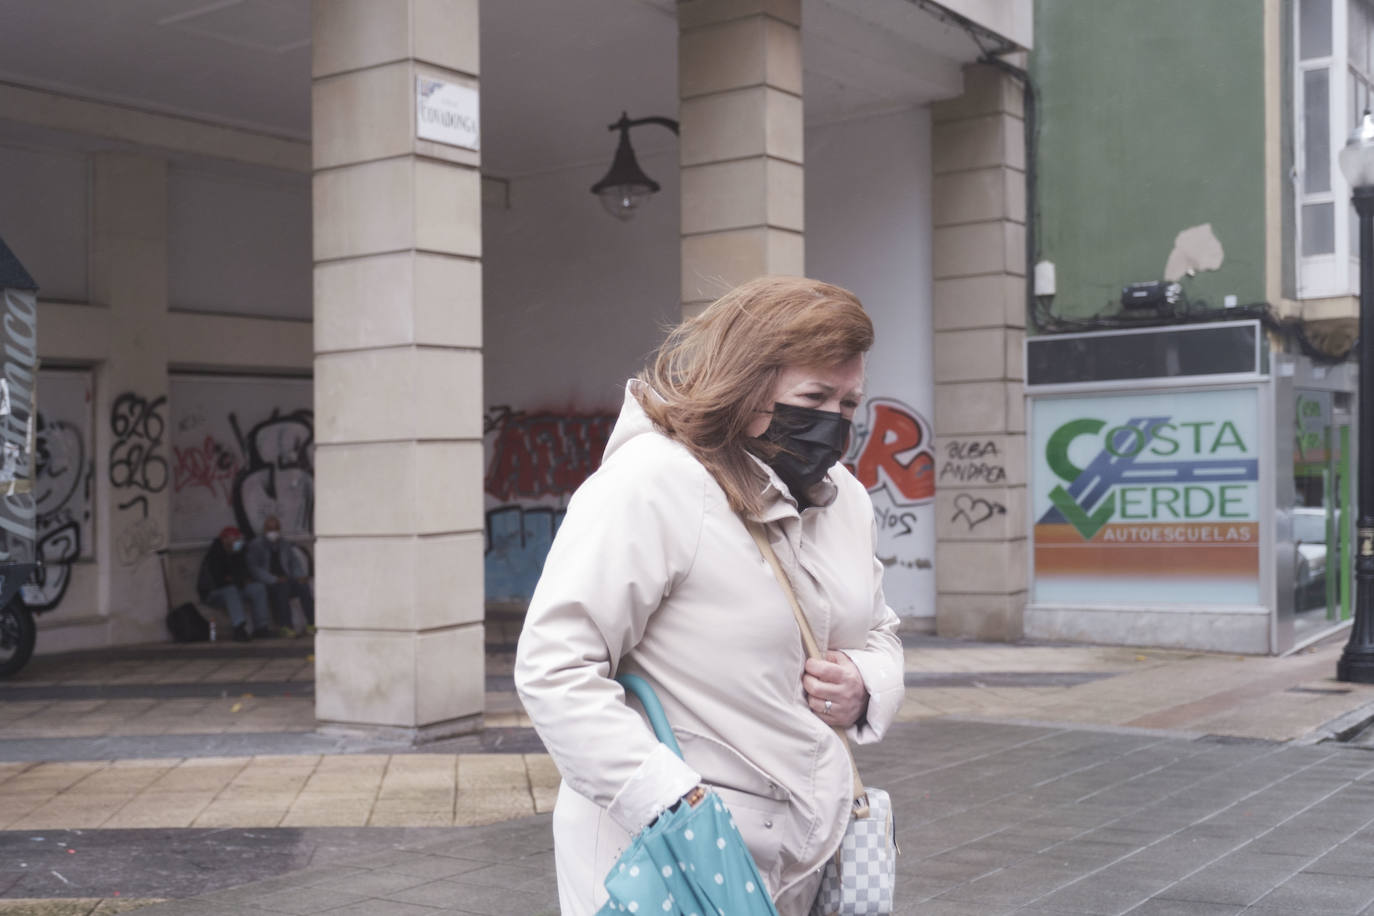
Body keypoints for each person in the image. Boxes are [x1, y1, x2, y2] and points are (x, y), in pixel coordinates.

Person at [514, 277, 904, 916]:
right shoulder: (653, 485)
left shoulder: (848, 501)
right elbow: (554, 667)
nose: (833, 424)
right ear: (746, 385)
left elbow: (880, 628)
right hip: (666, 862)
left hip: (805, 864)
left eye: (851, 404)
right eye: (814, 397)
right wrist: (670, 800)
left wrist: (866, 680)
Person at [197, 525, 273, 642]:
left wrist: (238, 579)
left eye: (239, 539)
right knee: (231, 590)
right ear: (225, 539)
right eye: (235, 539)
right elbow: (220, 580)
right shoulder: (215, 554)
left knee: (258, 588)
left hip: (237, 587)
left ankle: (261, 628)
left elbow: (242, 574)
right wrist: (237, 579)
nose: (238, 542)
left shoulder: (239, 552)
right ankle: (239, 628)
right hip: (214, 593)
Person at [246, 515, 315, 637]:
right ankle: (286, 627)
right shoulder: (256, 545)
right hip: (268, 582)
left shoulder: (284, 544)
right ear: (265, 530)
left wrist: (300, 576)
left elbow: (294, 563)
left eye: (275, 528)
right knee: (282, 587)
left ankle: (312, 623)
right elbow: (254, 568)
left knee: (304, 586)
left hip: (286, 579)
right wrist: (274, 579)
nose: (273, 532)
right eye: (270, 529)